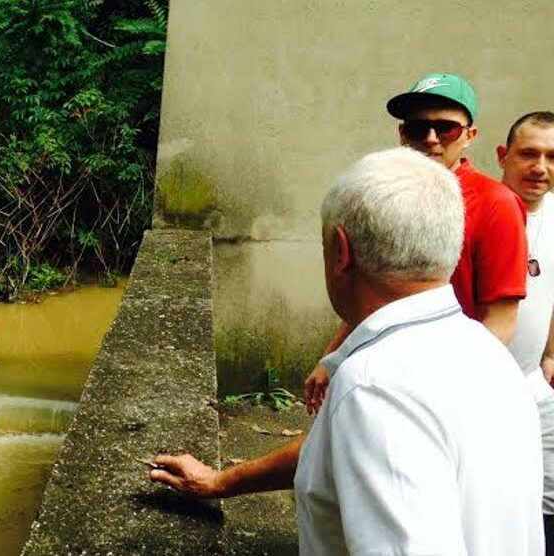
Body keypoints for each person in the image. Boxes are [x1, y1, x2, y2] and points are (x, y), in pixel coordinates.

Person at [150, 148, 544, 555]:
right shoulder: (489, 354)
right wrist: (220, 481)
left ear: (341, 251)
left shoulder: (375, 387)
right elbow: (345, 450)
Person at [304, 72, 528, 414]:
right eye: (416, 128)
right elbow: (374, 289)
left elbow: (500, 319)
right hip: (379, 370)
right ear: (401, 134)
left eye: (446, 128)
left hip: (443, 384)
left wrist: (451, 386)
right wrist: (333, 357)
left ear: (470, 136)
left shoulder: (495, 202)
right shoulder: (390, 191)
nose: (431, 138)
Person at [499, 111, 554, 554]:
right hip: (483, 386)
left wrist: (551, 354)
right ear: (504, 156)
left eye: (552, 157)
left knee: (547, 499)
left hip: (538, 382)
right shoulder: (482, 209)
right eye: (529, 154)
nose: (541, 167)